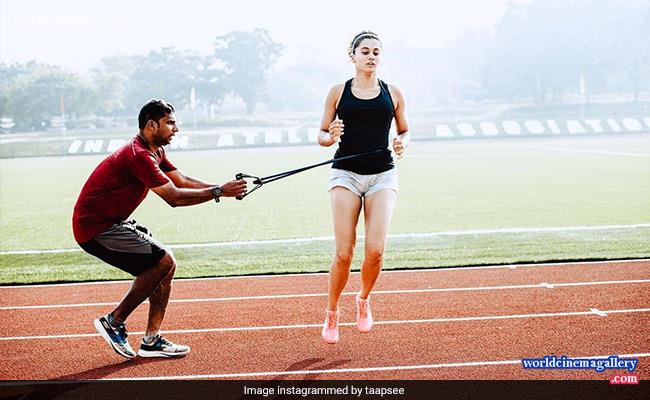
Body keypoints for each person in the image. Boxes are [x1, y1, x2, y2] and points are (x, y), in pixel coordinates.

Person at [72, 99, 247, 359]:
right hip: (95, 228)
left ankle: (151, 340)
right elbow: (174, 197)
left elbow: (182, 180)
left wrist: (223, 189)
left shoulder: (155, 151)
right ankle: (114, 321)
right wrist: (220, 191)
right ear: (151, 125)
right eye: (170, 123)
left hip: (109, 223)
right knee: (164, 260)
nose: (176, 128)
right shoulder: (139, 156)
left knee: (165, 266)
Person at [318, 31, 410, 344]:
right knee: (344, 253)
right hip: (345, 174)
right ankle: (332, 312)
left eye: (376, 52)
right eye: (365, 51)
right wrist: (330, 136)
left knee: (376, 251)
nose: (371, 56)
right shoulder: (338, 92)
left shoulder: (392, 92)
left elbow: (405, 130)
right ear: (353, 56)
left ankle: (363, 299)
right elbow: (321, 134)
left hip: (382, 175)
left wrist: (402, 142)